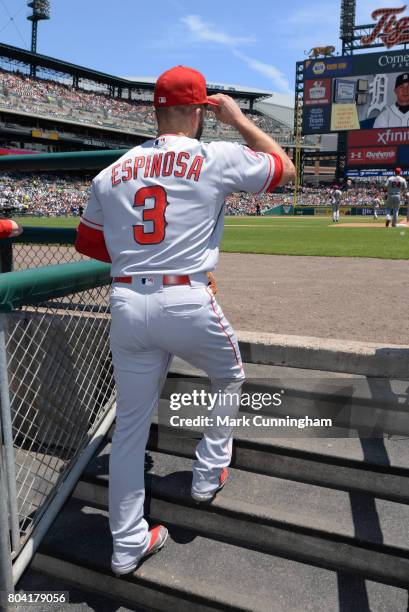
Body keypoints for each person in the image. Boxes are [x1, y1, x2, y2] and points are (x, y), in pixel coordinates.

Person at [75, 65, 295, 577]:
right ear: (199, 112)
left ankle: (128, 543)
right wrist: (239, 119)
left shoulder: (113, 170)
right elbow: (285, 169)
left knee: (129, 429)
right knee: (229, 375)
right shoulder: (214, 154)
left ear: (155, 109)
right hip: (187, 297)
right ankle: (207, 471)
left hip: (128, 303)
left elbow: (88, 244)